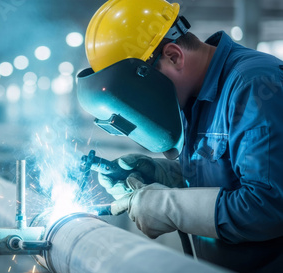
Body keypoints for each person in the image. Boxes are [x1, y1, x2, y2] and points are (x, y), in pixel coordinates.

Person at [76, 0, 283, 272]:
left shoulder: (254, 85)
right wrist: (165, 176)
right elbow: (228, 178)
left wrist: (169, 207)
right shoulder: (190, 96)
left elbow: (268, 206)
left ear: (174, 56)